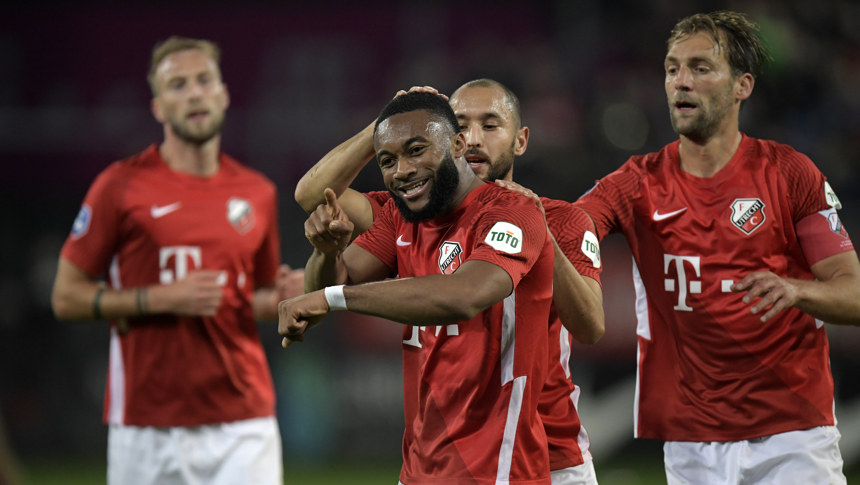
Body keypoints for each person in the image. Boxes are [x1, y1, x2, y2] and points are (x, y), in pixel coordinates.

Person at [572, 11, 859, 484]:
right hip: (690, 446)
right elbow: (571, 224)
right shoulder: (636, 183)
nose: (681, 82)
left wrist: (797, 291)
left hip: (792, 437)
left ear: (742, 86)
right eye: (672, 68)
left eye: (701, 68)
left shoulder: (789, 174)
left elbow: (853, 293)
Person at [295, 80, 604, 484]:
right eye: (460, 125)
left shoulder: (559, 219)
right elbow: (315, 194)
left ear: (520, 140)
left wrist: (540, 239)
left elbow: (590, 327)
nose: (473, 139)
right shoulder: (408, 214)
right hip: (440, 451)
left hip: (547, 447)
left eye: (490, 126)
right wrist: (394, 123)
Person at [51, 36, 302, 485]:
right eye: (178, 85)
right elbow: (66, 297)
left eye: (204, 80)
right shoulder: (119, 187)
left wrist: (287, 297)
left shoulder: (257, 193)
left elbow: (254, 298)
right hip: (146, 425)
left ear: (223, 94)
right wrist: (160, 298)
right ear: (158, 107)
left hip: (241, 422)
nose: (194, 93)